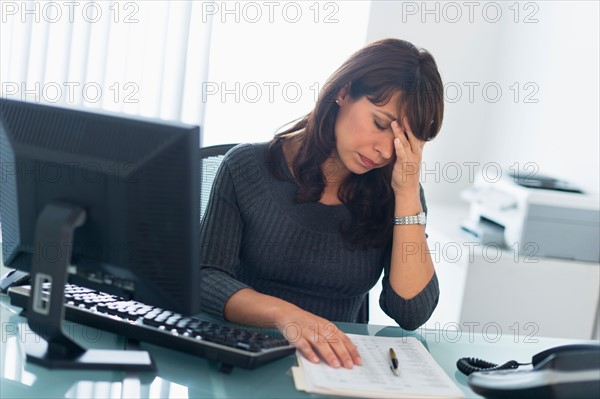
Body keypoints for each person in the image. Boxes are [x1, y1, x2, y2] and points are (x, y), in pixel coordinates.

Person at [199, 38, 445, 370]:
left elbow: (411, 312)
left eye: (402, 139)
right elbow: (205, 277)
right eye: (380, 124)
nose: (385, 151)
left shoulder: (399, 193)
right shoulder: (246, 167)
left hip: (337, 372)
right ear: (343, 92)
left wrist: (406, 194)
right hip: (244, 360)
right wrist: (286, 316)